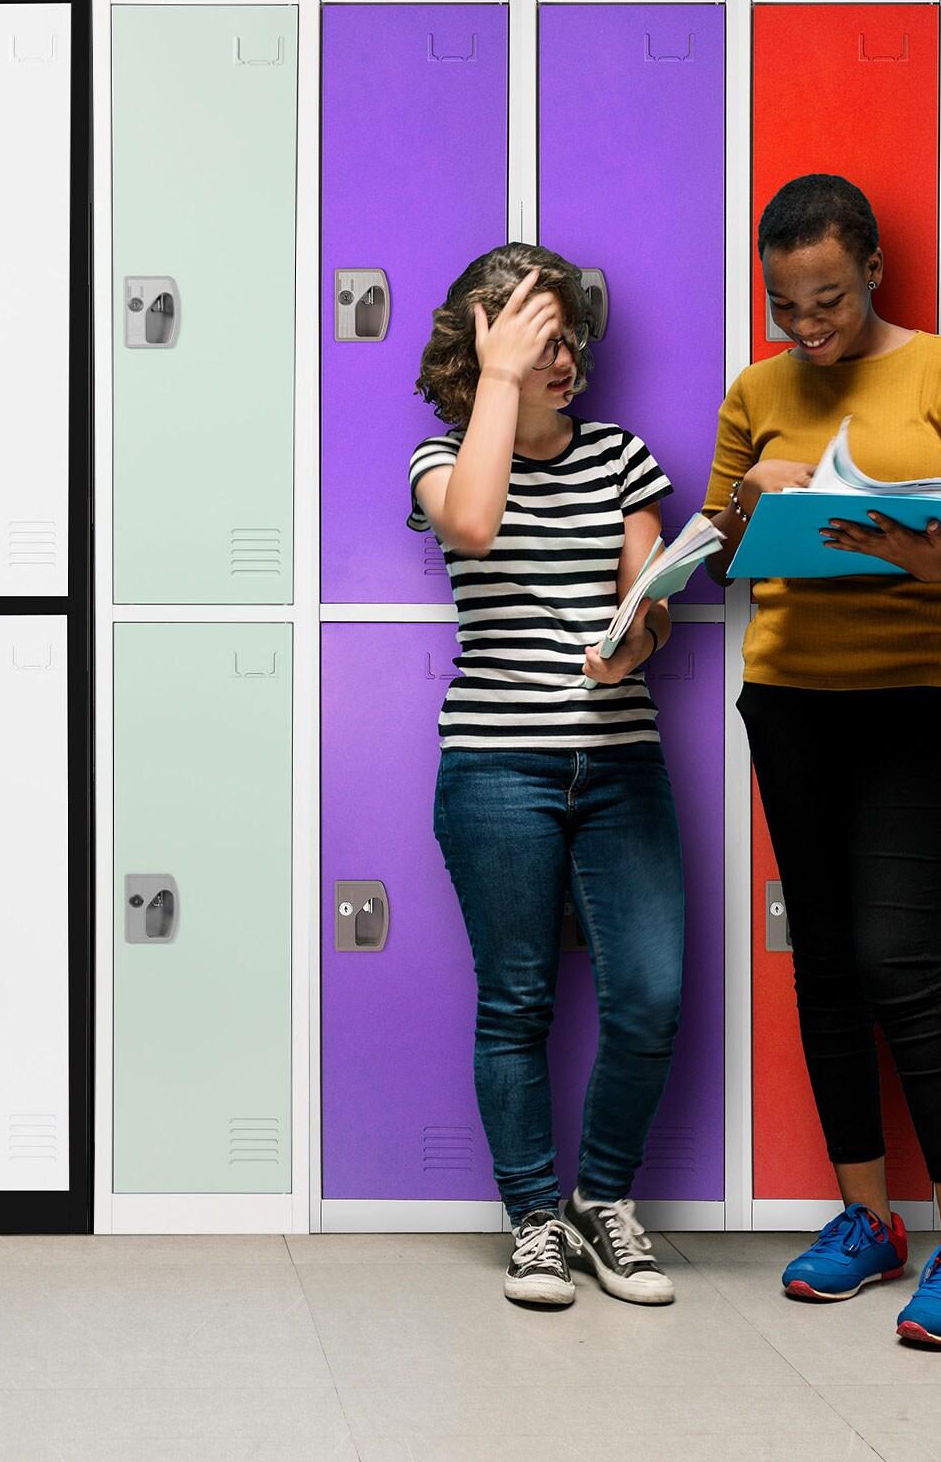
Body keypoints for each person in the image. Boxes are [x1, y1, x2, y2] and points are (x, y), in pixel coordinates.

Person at [702, 173, 941, 1349]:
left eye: (828, 299)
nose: (808, 328)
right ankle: (865, 1217)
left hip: (913, 696)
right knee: (826, 961)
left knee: (899, 956)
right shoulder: (757, 388)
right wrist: (749, 495)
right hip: (790, 698)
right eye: (788, 306)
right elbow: (720, 553)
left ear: (874, 267)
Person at [407, 244, 688, 1311]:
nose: (566, 356)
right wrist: (501, 379)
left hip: (621, 764)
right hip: (495, 768)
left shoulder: (621, 456)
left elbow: (647, 600)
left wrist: (638, 640)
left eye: (570, 336)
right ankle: (533, 1219)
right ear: (488, 344)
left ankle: (600, 1201)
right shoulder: (440, 459)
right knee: (516, 1001)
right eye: (542, 338)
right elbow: (473, 524)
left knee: (649, 993)